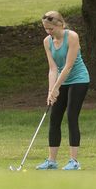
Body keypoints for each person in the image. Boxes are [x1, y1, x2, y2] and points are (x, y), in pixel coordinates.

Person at [36, 11, 90, 171]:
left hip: (79, 80)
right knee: (54, 118)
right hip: (61, 80)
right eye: (46, 29)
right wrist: (50, 91)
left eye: (50, 29)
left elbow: (68, 66)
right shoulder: (47, 41)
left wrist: (57, 87)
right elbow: (53, 68)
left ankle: (74, 161)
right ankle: (52, 161)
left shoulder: (72, 36)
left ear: (60, 24)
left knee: (72, 116)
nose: (48, 32)